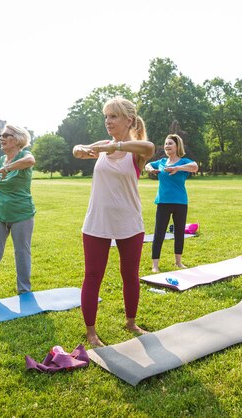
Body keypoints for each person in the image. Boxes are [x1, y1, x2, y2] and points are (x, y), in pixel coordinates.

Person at [73, 97, 155, 347]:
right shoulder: (103, 145)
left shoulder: (138, 151)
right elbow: (80, 147)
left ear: (128, 120)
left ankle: (131, 322)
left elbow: (148, 146)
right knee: (92, 275)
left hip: (129, 222)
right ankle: (91, 332)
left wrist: (116, 146)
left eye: (113, 116)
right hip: (97, 222)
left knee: (130, 274)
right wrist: (78, 149)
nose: (108, 121)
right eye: (106, 116)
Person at [0, 124, 36, 301]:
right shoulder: (1, 159)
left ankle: (24, 291)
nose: (0, 138)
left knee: (22, 252)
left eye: (5, 135)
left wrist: (6, 169)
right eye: (0, 135)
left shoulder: (24, 156)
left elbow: (31, 161)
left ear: (16, 139)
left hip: (22, 214)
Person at [144, 134, 198, 273]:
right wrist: (151, 169)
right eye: (166, 143)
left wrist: (177, 168)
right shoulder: (161, 162)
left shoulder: (183, 162)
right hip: (163, 202)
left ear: (177, 146)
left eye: (170, 144)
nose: (167, 146)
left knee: (179, 233)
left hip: (180, 202)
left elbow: (195, 166)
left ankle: (178, 262)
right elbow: (148, 165)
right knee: (159, 233)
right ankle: (155, 264)